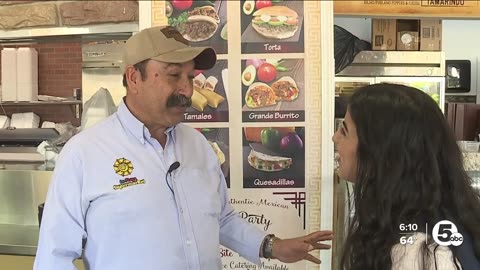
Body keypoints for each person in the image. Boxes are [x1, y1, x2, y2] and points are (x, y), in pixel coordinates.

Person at [34, 26, 333, 270]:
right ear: (133, 78)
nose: (188, 90)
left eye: (190, 77)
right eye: (173, 75)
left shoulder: (198, 146)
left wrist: (272, 247)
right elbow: (53, 257)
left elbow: (222, 217)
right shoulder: (84, 154)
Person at [333, 83, 480, 270]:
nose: (335, 137)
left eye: (344, 131)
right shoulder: (418, 216)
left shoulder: (421, 253)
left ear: (382, 153)